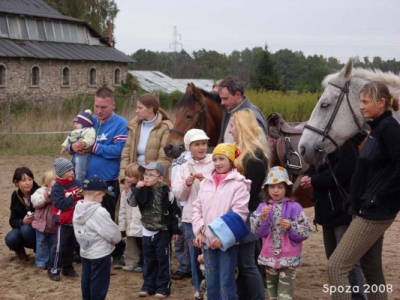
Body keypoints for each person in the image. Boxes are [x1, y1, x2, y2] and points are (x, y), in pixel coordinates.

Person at [327, 81, 400, 300]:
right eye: (360, 101)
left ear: (381, 102)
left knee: (336, 266)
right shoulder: (376, 129)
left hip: (374, 212)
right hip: (368, 208)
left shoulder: (390, 130)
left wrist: (378, 198)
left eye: (365, 101)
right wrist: (354, 197)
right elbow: (369, 170)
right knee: (372, 269)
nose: (360, 106)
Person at [300, 132, 368, 300]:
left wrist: (313, 181)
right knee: (333, 261)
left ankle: (358, 297)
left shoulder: (347, 143)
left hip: (343, 211)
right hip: (326, 211)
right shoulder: (323, 143)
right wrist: (308, 176)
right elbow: (314, 166)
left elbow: (342, 173)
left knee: (346, 262)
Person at [69, 87, 128, 268]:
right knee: (84, 217)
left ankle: (116, 252)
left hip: (106, 181)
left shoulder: (120, 124)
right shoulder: (89, 121)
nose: (99, 110)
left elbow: (118, 150)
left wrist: (94, 147)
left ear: (113, 104)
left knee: (107, 218)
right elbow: (72, 140)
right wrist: (74, 147)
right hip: (84, 180)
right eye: (96, 106)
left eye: (104, 107)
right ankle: (85, 251)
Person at [193, 143, 251, 300]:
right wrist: (198, 231)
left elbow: (239, 213)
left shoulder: (239, 184)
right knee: (211, 281)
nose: (218, 163)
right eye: (215, 159)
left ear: (231, 161)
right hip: (207, 241)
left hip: (226, 244)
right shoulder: (206, 182)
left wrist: (223, 236)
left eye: (222, 159)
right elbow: (197, 208)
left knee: (226, 281)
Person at [251, 166, 311, 300]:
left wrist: (291, 227)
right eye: (272, 187)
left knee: (284, 296)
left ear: (287, 189)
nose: (276, 190)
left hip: (289, 259)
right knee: (272, 295)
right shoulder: (262, 207)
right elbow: (257, 232)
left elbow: (306, 231)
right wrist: (264, 219)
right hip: (269, 258)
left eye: (280, 187)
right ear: (266, 189)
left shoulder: (295, 207)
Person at [229, 109, 270, 300]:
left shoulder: (253, 158)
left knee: (248, 262)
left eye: (232, 126)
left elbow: (249, 192)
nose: (230, 131)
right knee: (244, 262)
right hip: (243, 213)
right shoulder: (245, 155)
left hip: (247, 214)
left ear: (241, 127)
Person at [127, 162, 181, 298]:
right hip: (147, 230)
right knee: (148, 259)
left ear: (160, 178)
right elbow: (131, 202)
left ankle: (163, 287)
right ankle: (148, 286)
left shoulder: (167, 192)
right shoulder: (142, 189)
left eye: (151, 175)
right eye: (145, 174)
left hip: (162, 230)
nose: (146, 177)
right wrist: (136, 188)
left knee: (162, 260)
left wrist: (175, 230)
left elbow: (175, 212)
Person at [172, 129, 215, 299]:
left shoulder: (215, 162)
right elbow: (178, 194)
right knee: (195, 254)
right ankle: (198, 289)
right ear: (189, 147)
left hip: (213, 216)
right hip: (191, 218)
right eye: (197, 144)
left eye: (204, 143)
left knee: (212, 253)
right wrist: (187, 184)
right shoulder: (182, 167)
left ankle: (212, 288)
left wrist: (207, 182)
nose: (201, 147)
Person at [73, 176, 122, 300]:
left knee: (87, 279)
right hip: (100, 253)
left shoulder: (78, 209)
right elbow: (113, 234)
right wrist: (117, 239)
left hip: (85, 251)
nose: (103, 198)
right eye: (103, 195)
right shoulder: (99, 212)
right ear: (97, 193)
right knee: (99, 284)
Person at [120, 93, 173, 183]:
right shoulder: (134, 127)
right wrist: (125, 179)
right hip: (134, 179)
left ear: (150, 109)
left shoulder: (165, 128)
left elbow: (165, 158)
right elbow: (126, 156)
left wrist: (149, 177)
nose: (136, 111)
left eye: (140, 108)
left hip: (155, 180)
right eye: (136, 108)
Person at [48, 157, 83, 281]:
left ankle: (68, 268)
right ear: (61, 172)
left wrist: (82, 194)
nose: (71, 171)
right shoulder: (57, 188)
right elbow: (61, 204)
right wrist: (75, 197)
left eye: (71, 169)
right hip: (63, 222)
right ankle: (54, 269)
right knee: (60, 247)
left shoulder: (77, 183)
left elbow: (83, 198)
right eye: (68, 170)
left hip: (75, 221)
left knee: (71, 247)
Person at [218, 76, 267, 143]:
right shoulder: (229, 111)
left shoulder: (252, 116)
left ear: (238, 94)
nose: (222, 103)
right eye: (221, 99)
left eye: (225, 99)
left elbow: (257, 149)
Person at [5, 167, 39, 261]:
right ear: (16, 183)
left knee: (26, 229)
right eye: (23, 180)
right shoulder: (15, 195)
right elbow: (12, 220)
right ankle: (20, 252)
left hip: (40, 230)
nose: (28, 183)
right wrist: (22, 221)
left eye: (30, 179)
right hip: (25, 228)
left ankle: (40, 251)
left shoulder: (40, 192)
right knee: (11, 237)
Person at [170, 150, 192, 281]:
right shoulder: (176, 153)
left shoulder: (194, 154)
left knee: (189, 236)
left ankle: (191, 267)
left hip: (188, 200)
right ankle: (183, 267)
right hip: (176, 199)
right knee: (178, 237)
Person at [118, 163, 144, 273]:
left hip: (142, 224)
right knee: (131, 245)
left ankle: (143, 263)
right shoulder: (125, 193)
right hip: (130, 224)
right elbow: (122, 210)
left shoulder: (144, 191)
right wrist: (122, 226)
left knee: (143, 246)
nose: (126, 180)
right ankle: (131, 262)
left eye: (129, 178)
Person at [31, 170, 57, 270]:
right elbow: (35, 201)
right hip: (41, 224)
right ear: (47, 181)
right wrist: (47, 195)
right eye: (54, 180)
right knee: (41, 244)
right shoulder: (40, 191)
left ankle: (51, 261)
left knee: (53, 244)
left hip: (53, 225)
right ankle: (41, 261)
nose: (57, 182)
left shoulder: (59, 191)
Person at [60, 109, 96, 181]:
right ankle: (72, 182)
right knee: (71, 169)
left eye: (77, 123)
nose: (75, 125)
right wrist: (64, 146)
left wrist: (84, 143)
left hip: (83, 155)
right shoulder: (74, 132)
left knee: (80, 171)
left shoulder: (89, 130)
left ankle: (79, 183)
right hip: (75, 154)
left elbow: (90, 139)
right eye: (74, 123)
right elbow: (68, 139)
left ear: (85, 124)